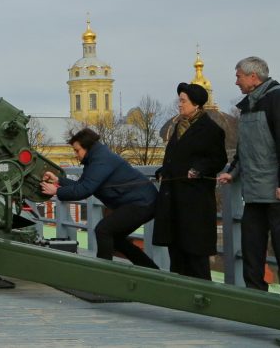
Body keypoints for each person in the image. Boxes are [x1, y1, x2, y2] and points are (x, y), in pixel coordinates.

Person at [217, 56, 280, 298]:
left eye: (238, 75)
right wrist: (232, 172)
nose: (236, 81)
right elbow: (245, 147)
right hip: (255, 191)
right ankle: (256, 299)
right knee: (251, 249)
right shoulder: (251, 104)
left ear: (253, 77)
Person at [42, 128, 159, 268]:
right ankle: (150, 269)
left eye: (77, 150)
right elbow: (82, 184)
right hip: (140, 201)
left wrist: (56, 191)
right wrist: (58, 180)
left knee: (103, 230)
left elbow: (84, 190)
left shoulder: (101, 160)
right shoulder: (95, 158)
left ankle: (103, 274)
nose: (75, 154)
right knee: (116, 237)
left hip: (142, 202)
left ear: (87, 147)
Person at [152, 82, 227, 279]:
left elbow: (218, 159)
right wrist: (164, 170)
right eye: (179, 100)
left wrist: (198, 170)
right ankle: (178, 296)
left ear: (196, 104)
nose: (179, 104)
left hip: (194, 200)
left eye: (183, 101)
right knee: (175, 250)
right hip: (173, 197)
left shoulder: (211, 129)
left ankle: (203, 296)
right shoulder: (178, 125)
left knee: (195, 252)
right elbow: (174, 156)